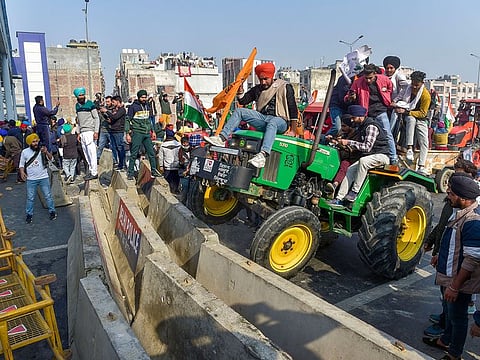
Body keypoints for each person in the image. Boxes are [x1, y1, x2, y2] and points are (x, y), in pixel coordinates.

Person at [422, 174, 480, 360]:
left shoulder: (472, 221)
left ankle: (454, 354)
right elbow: (457, 244)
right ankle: (445, 340)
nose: (447, 193)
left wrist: (455, 286)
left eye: (452, 193)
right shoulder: (461, 211)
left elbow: (472, 260)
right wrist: (441, 255)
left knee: (457, 316)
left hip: (460, 281)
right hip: (451, 275)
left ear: (463, 198)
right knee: (449, 312)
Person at [204, 62, 298, 168]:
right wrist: (240, 92)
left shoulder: (284, 86)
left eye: (266, 79)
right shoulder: (257, 89)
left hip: (280, 121)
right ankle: (221, 138)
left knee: (272, 123)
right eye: (261, 79)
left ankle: (263, 154)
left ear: (272, 76)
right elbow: (244, 100)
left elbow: (293, 109)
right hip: (263, 118)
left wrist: (293, 130)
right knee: (239, 111)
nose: (263, 82)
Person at [329, 105, 390, 207]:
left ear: (360, 116)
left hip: (381, 155)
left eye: (353, 117)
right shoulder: (362, 127)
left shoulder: (371, 127)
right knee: (350, 169)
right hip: (371, 156)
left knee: (363, 161)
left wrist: (348, 142)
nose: (352, 120)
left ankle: (354, 192)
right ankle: (339, 198)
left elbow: (367, 147)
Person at [345, 64, 398, 165]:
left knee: (387, 133)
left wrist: (387, 98)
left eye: (370, 78)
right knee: (364, 135)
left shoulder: (384, 79)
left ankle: (393, 158)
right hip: (366, 112)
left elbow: (390, 88)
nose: (368, 81)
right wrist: (352, 97)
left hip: (380, 110)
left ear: (375, 74)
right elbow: (348, 96)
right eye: (366, 78)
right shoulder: (358, 82)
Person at [393, 71, 431, 175]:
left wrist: (407, 111)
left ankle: (421, 166)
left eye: (416, 85)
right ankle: (409, 148)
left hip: (421, 119)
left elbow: (423, 113)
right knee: (411, 119)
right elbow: (399, 97)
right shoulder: (408, 88)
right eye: (413, 84)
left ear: (422, 83)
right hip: (408, 116)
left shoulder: (425, 95)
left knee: (424, 142)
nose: (414, 87)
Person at [18, 133, 57, 223]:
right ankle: (29, 214)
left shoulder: (42, 149)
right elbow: (21, 164)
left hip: (43, 177)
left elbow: (51, 159)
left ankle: (52, 212)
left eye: (36, 141)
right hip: (31, 179)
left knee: (48, 196)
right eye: (33, 142)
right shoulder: (25, 152)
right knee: (30, 198)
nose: (36, 143)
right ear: (29, 143)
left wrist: (46, 152)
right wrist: (22, 172)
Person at [126, 89, 161, 180]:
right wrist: (127, 133)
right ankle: (130, 172)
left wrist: (153, 131)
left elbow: (149, 120)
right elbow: (127, 120)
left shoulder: (148, 106)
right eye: (142, 97)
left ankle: (154, 170)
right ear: (139, 97)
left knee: (151, 153)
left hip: (147, 133)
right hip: (137, 132)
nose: (144, 99)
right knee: (134, 154)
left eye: (145, 97)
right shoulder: (133, 107)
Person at [324, 114, 361, 198]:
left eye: (344, 126)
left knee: (344, 164)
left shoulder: (356, 136)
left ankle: (334, 185)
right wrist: (332, 139)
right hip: (340, 155)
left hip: (351, 158)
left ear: (350, 127)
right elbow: (338, 140)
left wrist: (338, 144)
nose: (342, 128)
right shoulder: (343, 133)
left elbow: (351, 150)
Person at [74, 87, 100, 181]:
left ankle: (94, 172)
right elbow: (78, 121)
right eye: (79, 95)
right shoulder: (77, 106)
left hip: (90, 131)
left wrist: (96, 131)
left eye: (82, 95)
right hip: (82, 132)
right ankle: (90, 170)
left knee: (92, 152)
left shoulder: (90, 104)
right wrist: (78, 133)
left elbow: (96, 118)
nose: (81, 96)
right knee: (86, 153)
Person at [383, 56, 408, 134]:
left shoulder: (399, 76)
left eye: (391, 68)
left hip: (396, 104)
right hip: (386, 104)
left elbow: (405, 89)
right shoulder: (383, 76)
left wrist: (395, 100)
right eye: (387, 68)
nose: (389, 70)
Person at [102, 95, 126, 171]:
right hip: (113, 130)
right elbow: (112, 118)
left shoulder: (122, 110)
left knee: (120, 147)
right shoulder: (115, 109)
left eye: (113, 102)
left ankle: (122, 165)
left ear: (117, 101)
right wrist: (105, 115)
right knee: (114, 148)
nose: (112, 103)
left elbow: (115, 117)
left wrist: (106, 111)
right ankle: (118, 164)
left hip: (118, 131)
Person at [159, 128, 180, 193]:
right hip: (176, 166)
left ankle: (170, 191)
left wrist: (161, 166)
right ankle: (175, 190)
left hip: (167, 166)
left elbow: (161, 157)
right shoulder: (178, 144)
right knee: (176, 180)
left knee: (168, 180)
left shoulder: (163, 145)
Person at [97, 95, 113, 162]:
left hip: (111, 130)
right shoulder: (102, 110)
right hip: (103, 130)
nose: (107, 103)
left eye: (108, 101)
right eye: (106, 102)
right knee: (100, 146)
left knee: (112, 146)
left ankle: (114, 160)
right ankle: (98, 158)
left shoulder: (113, 110)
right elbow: (99, 119)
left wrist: (106, 112)